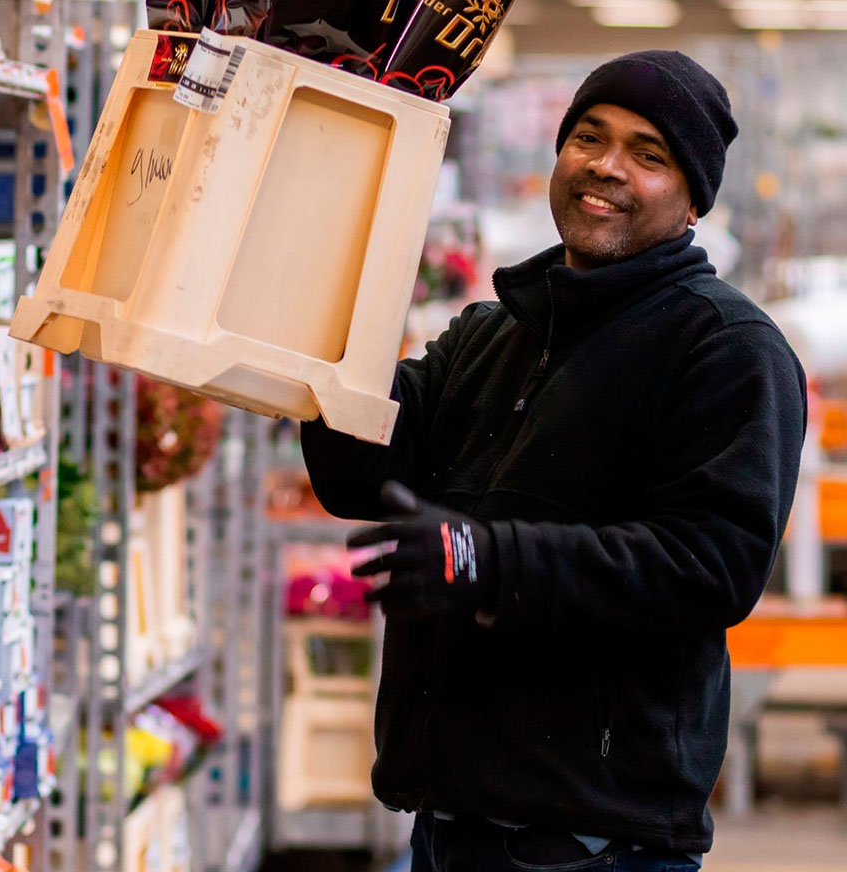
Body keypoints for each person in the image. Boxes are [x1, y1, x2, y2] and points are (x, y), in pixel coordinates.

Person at [300, 51, 807, 872]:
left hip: (594, 846)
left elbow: (712, 566)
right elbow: (360, 471)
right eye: (588, 137)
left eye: (649, 155)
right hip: (446, 825)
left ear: (691, 202)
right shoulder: (491, 333)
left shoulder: (725, 349)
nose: (605, 167)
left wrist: (484, 558)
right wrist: (312, 339)